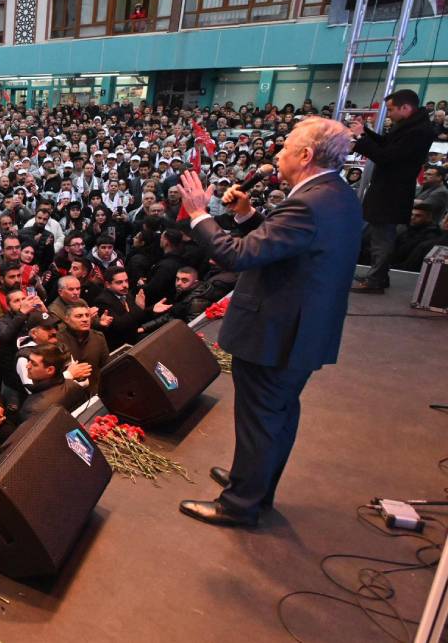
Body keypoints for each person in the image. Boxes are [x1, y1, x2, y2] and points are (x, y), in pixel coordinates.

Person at [177, 116, 362, 526]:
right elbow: (283, 247)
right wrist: (247, 217)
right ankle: (254, 483)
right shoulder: (336, 194)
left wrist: (198, 215)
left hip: (277, 332)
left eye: (285, 147)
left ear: (305, 155)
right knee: (277, 414)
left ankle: (240, 504)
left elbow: (239, 256)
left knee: (261, 418)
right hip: (302, 330)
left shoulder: (307, 202)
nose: (277, 154)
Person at [350, 89, 436, 293]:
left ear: (405, 108)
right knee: (380, 236)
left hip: (392, 191)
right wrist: (365, 132)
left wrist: (361, 141)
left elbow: (387, 156)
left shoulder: (419, 131)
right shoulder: (410, 126)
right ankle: (378, 275)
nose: (388, 114)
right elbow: (387, 144)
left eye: (390, 110)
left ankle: (376, 280)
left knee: (383, 237)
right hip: (389, 188)